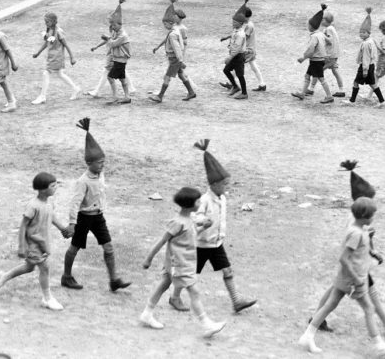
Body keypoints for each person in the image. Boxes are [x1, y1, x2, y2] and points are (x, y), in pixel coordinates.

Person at [297, 195, 385, 356]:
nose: (374, 218)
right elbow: (344, 258)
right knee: (368, 308)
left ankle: (308, 336)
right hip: (353, 279)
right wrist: (357, 278)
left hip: (345, 277)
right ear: (365, 217)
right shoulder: (356, 234)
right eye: (372, 215)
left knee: (329, 305)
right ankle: (379, 344)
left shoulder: (357, 229)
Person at [166, 140, 257, 314]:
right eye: (224, 184)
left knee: (227, 269)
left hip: (216, 243)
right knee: (190, 273)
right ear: (214, 184)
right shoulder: (205, 200)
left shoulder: (222, 198)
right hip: (201, 244)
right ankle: (175, 296)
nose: (226, 187)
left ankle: (236, 300)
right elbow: (194, 216)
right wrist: (203, 222)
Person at [139, 186, 227, 338]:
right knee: (195, 292)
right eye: (198, 200)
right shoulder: (178, 222)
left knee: (164, 285)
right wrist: (149, 258)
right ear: (190, 204)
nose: (200, 202)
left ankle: (147, 313)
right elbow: (161, 241)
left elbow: (189, 238)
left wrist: (203, 227)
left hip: (180, 263)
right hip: (179, 265)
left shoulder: (190, 219)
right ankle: (207, 324)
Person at [60, 118, 131, 292]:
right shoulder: (82, 181)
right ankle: (66, 276)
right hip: (84, 218)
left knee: (108, 247)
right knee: (74, 248)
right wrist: (72, 223)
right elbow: (74, 203)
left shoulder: (100, 175)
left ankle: (113, 279)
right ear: (89, 163)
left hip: (98, 217)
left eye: (103, 162)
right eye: (99, 163)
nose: (102, 165)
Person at [0, 172, 70, 310]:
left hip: (44, 241)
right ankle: (47, 298)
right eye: (53, 185)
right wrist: (22, 246)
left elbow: (51, 216)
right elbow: (23, 226)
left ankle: (6, 276)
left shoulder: (49, 203)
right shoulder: (33, 206)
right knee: (44, 268)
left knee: (29, 267)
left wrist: (62, 228)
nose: (56, 187)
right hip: (34, 242)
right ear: (42, 189)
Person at [149, 0, 198, 103]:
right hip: (175, 57)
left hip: (175, 58)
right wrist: (158, 46)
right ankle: (191, 92)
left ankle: (160, 96)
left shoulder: (178, 31)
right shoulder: (174, 29)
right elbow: (168, 38)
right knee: (181, 74)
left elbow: (180, 46)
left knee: (167, 77)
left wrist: (181, 60)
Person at [87, 0, 132, 103]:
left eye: (114, 24)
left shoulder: (122, 35)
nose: (112, 26)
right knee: (122, 79)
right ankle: (126, 96)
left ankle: (116, 96)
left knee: (110, 77)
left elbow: (112, 44)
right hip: (118, 59)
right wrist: (100, 44)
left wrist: (106, 39)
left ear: (120, 24)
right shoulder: (117, 33)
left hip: (119, 59)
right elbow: (111, 40)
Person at [31, 12, 80, 105]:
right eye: (45, 22)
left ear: (53, 21)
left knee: (46, 73)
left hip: (57, 57)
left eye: (47, 22)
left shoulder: (58, 32)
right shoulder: (49, 30)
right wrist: (38, 53)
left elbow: (66, 45)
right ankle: (75, 88)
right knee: (60, 74)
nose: (46, 23)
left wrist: (72, 57)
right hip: (52, 56)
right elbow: (47, 43)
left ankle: (42, 96)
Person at [292, 5, 334, 103]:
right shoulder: (321, 34)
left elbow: (311, 50)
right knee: (307, 76)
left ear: (311, 26)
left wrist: (303, 58)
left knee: (321, 79)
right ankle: (302, 93)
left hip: (316, 61)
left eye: (308, 25)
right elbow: (329, 41)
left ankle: (329, 96)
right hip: (318, 60)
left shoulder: (314, 37)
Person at [347, 8, 385, 106]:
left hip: (366, 66)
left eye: (364, 32)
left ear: (369, 33)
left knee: (355, 82)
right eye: (360, 32)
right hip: (371, 65)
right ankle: (382, 101)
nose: (361, 34)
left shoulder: (365, 44)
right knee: (373, 84)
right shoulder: (371, 40)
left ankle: (352, 101)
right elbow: (377, 44)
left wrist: (364, 70)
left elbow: (365, 58)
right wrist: (381, 50)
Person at [321, 10, 346, 96]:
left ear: (326, 20)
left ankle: (310, 88)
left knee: (318, 70)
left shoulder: (328, 29)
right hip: (334, 54)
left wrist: (321, 36)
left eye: (322, 19)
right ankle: (341, 90)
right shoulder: (332, 28)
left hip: (330, 55)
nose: (321, 21)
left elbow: (330, 41)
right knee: (335, 71)